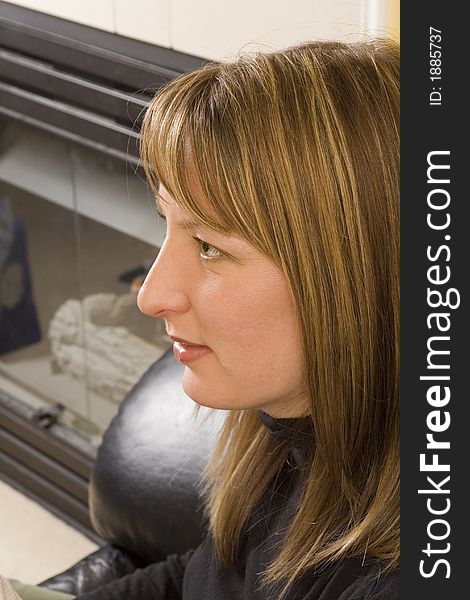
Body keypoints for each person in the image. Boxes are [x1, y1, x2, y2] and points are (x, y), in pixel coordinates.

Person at [8, 37, 400, 599]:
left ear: (356, 277)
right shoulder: (294, 436)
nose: (150, 296)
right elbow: (208, 577)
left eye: (210, 246)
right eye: (167, 224)